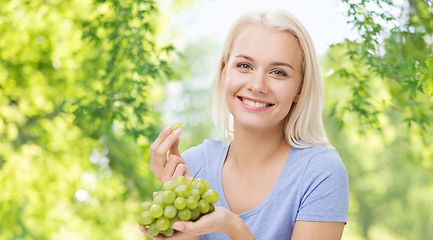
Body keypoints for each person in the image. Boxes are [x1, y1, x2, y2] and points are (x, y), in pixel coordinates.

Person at [140, 9, 349, 240]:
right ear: (223, 72)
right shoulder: (193, 166)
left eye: (278, 72)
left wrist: (232, 226)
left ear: (300, 88)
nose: (257, 85)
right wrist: (187, 224)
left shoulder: (320, 172)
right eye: (245, 66)